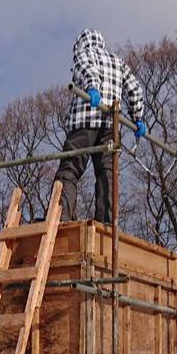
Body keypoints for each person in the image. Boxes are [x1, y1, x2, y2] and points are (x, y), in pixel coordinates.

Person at [54, 28, 146, 224]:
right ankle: (107, 222)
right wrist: (138, 117)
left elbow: (87, 69)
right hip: (110, 127)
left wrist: (92, 87)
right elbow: (135, 90)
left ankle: (61, 217)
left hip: (85, 121)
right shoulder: (118, 62)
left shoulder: (84, 53)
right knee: (107, 173)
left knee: (70, 168)